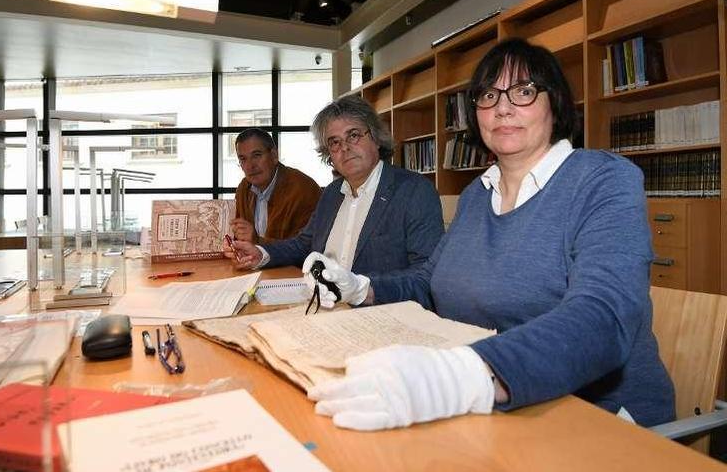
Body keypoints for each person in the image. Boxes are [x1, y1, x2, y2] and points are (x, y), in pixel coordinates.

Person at [303, 38, 675, 430]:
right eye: (488, 95)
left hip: (600, 418)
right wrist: (362, 287)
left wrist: (465, 376)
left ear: (556, 103)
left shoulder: (604, 179)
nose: (502, 107)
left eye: (524, 91)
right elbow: (430, 282)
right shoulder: (477, 195)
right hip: (499, 406)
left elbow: (603, 316)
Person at [225, 96, 444, 307]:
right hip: (320, 306)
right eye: (335, 143)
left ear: (376, 138)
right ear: (328, 154)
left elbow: (426, 276)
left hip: (378, 314)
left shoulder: (414, 191)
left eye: (354, 135)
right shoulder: (331, 194)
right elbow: (303, 244)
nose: (345, 148)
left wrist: (361, 290)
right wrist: (261, 254)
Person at [231, 128, 321, 244]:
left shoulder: (302, 189)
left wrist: (258, 242)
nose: (249, 166)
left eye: (256, 155)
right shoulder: (244, 188)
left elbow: (305, 247)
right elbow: (241, 238)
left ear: (274, 156)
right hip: (255, 261)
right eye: (243, 159)